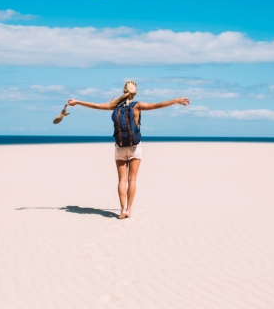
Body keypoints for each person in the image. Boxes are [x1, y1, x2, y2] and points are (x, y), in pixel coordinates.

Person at [67, 81, 190, 219]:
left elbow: (96, 106)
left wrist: (77, 102)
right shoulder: (137, 106)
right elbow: (157, 105)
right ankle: (129, 209)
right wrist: (176, 100)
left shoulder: (115, 106)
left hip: (120, 146)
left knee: (122, 180)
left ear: (123, 90)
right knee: (132, 180)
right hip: (134, 146)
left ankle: (122, 209)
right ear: (135, 92)